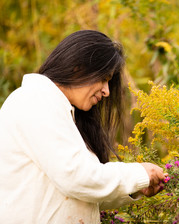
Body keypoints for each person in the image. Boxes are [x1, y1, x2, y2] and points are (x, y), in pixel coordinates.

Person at [0, 30, 166, 223]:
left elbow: (79, 194)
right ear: (78, 67)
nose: (106, 91)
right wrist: (138, 173)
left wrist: (136, 186)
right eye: (104, 78)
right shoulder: (35, 101)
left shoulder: (55, 108)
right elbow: (76, 178)